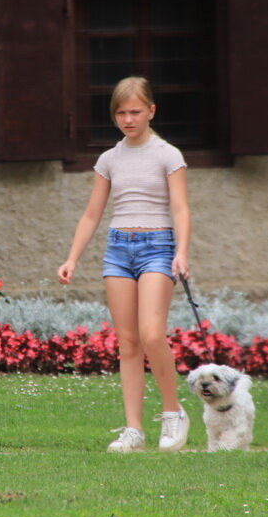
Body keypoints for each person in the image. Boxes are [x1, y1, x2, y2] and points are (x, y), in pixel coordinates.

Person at [57, 76, 191, 453]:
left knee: (152, 334)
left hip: (158, 247)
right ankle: (134, 430)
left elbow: (181, 208)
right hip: (118, 250)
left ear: (151, 111)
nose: (128, 119)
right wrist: (71, 258)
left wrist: (182, 252)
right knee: (128, 343)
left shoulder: (168, 155)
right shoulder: (109, 159)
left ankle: (173, 411)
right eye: (121, 113)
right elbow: (91, 215)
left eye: (135, 111)